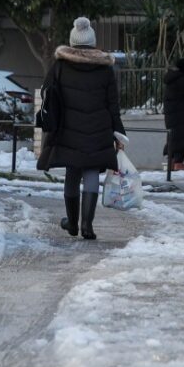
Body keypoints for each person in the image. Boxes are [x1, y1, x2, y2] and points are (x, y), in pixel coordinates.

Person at [39, 17, 125, 241]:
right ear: (92, 41)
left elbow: (47, 95)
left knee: (72, 172)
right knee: (90, 172)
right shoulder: (105, 70)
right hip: (98, 130)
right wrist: (118, 131)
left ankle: (72, 223)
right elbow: (113, 104)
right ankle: (87, 225)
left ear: (72, 41)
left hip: (68, 129)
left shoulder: (60, 66)